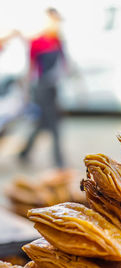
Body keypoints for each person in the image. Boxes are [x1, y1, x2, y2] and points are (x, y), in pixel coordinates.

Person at [19, 8, 66, 168]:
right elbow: (30, 69)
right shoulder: (37, 42)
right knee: (54, 123)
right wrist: (25, 92)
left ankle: (24, 152)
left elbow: (64, 65)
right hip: (41, 88)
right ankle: (59, 161)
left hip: (53, 87)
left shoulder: (58, 41)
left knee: (42, 123)